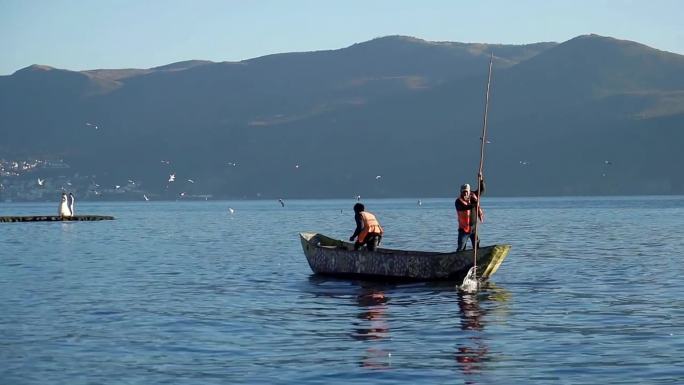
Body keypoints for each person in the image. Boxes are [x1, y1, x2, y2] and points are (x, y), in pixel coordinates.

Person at [455, 174, 485, 251]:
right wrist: (475, 204)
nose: (465, 194)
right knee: (461, 247)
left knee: (476, 245)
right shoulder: (458, 201)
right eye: (464, 192)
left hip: (473, 229)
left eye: (467, 192)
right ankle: (458, 259)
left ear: (469, 191)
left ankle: (476, 258)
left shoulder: (473, 196)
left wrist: (481, 179)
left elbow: (481, 190)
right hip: (464, 230)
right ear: (461, 192)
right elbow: (464, 207)